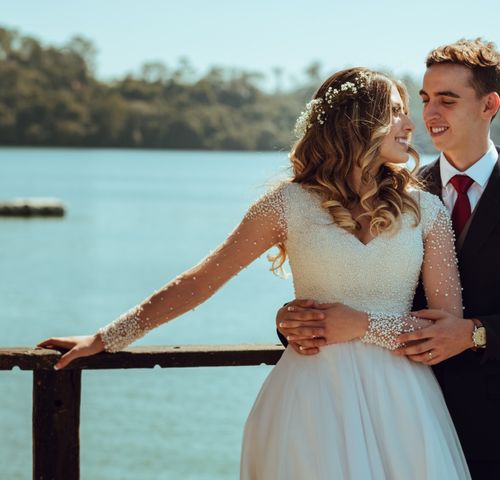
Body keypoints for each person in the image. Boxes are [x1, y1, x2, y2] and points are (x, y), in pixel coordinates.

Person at [37, 67, 471, 479]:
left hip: (403, 406)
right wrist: (107, 338)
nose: (410, 125)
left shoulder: (427, 211)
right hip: (311, 401)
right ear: (358, 121)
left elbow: (446, 328)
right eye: (395, 112)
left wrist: (361, 326)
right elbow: (202, 280)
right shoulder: (287, 204)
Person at [276, 39, 500, 480]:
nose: (429, 114)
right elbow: (349, 281)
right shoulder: (393, 190)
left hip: (494, 423)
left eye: (447, 101)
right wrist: (296, 323)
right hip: (394, 412)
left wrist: (473, 334)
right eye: (426, 99)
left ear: (489, 104)